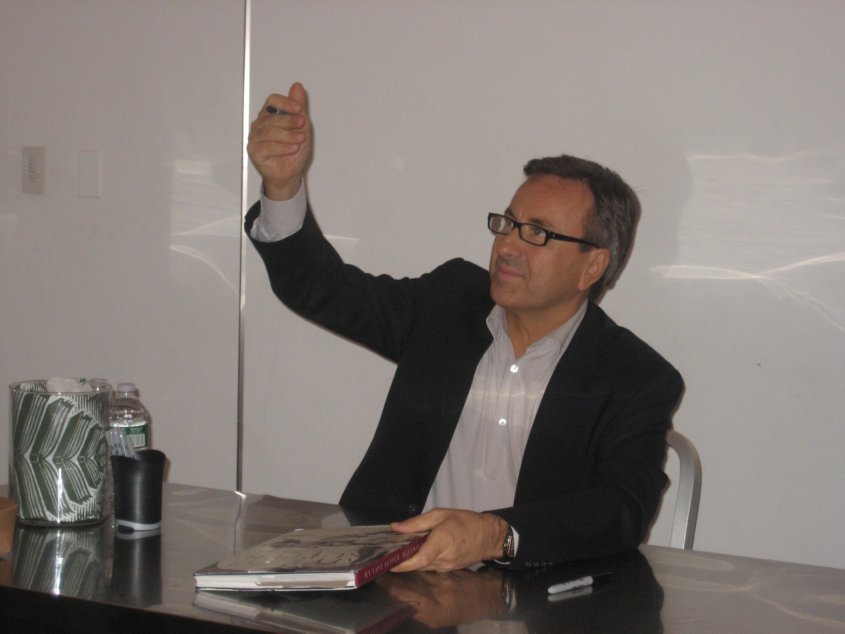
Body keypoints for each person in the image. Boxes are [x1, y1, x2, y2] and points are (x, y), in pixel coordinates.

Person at [246, 82, 683, 573]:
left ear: (592, 266)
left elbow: (622, 509)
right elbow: (320, 288)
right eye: (508, 224)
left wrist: (498, 536)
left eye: (537, 233)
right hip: (393, 578)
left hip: (528, 599)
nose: (509, 247)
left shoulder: (634, 377)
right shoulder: (447, 303)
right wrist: (282, 188)